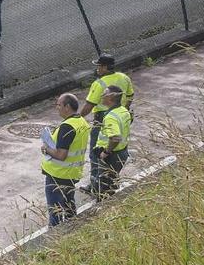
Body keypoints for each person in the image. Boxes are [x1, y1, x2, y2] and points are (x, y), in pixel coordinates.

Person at [78, 52, 135, 191]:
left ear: (105, 67)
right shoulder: (124, 77)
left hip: (103, 120)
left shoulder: (99, 84)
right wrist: (125, 109)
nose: (97, 69)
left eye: (99, 66)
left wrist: (77, 118)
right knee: (120, 147)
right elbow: (130, 95)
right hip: (121, 114)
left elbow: (89, 105)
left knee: (96, 153)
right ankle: (112, 181)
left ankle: (95, 185)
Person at [40, 93, 91, 226]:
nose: (57, 107)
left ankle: (55, 237)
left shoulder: (67, 126)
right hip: (72, 173)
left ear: (67, 107)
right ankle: (72, 229)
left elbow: (61, 155)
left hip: (58, 174)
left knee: (55, 210)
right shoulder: (81, 122)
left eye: (59, 105)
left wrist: (46, 149)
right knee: (69, 206)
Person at [92, 85, 132, 200]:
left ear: (110, 98)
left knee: (103, 188)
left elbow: (115, 138)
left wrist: (106, 152)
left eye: (104, 94)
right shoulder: (123, 110)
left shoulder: (111, 117)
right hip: (122, 153)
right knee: (111, 182)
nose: (101, 96)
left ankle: (103, 208)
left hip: (111, 157)